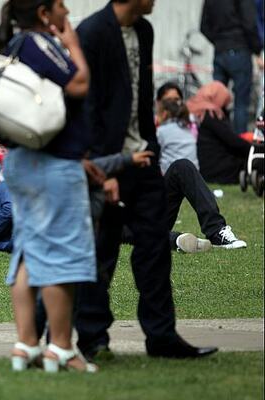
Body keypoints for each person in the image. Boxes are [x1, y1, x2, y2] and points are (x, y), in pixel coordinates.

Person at [75, 0, 217, 360]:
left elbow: (140, 100)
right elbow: (86, 107)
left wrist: (150, 147)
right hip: (108, 164)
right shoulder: (92, 33)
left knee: (154, 249)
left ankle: (162, 337)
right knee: (102, 252)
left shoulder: (144, 30)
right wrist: (100, 169)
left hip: (144, 160)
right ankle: (92, 338)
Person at [0, 0, 98, 373]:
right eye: (61, 6)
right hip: (50, 164)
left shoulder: (13, 46)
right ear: (44, 13)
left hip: (23, 161)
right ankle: (62, 348)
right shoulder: (38, 43)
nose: (67, 11)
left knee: (29, 251)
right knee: (60, 252)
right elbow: (79, 82)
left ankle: (26, 344)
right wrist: (73, 44)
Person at [201, 0, 263, 134]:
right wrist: (257, 49)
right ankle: (240, 144)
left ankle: (218, 140)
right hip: (240, 50)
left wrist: (219, 41)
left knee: (217, 102)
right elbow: (250, 23)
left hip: (219, 52)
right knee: (241, 103)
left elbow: (204, 26)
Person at [188, 81, 251, 184]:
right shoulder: (211, 114)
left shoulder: (196, 110)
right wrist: (254, 150)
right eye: (224, 101)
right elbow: (232, 141)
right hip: (218, 170)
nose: (225, 106)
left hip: (206, 167)